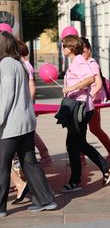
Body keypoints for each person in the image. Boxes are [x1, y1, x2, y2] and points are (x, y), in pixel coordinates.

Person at [0, 31, 57, 217]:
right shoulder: (19, 64)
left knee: (2, 165)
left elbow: (6, 97)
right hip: (25, 123)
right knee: (29, 163)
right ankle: (46, 199)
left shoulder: (6, 65)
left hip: (11, 126)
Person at [59, 35, 110, 192]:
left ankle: (78, 180)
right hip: (79, 107)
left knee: (75, 144)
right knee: (76, 144)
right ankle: (100, 170)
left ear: (70, 47)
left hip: (79, 107)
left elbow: (90, 79)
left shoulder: (79, 61)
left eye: (63, 46)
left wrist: (71, 89)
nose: (62, 48)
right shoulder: (76, 61)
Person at [80, 37, 110, 163]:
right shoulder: (83, 64)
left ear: (89, 50)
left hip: (92, 101)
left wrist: (90, 96)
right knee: (83, 128)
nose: (82, 53)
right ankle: (81, 156)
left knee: (93, 128)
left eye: (83, 50)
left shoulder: (92, 63)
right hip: (87, 100)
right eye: (79, 51)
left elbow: (98, 84)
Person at [18, 41, 53, 167]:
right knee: (31, 131)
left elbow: (31, 87)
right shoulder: (26, 64)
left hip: (26, 104)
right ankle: (44, 155)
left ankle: (44, 154)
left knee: (30, 132)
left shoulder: (24, 65)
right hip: (27, 103)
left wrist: (29, 103)